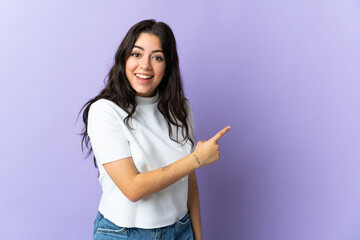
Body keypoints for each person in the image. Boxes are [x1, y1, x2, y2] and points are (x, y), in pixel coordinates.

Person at [78, 19, 230, 240]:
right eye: (136, 54)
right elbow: (133, 188)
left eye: (157, 57)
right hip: (124, 234)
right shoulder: (105, 112)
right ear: (124, 59)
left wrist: (197, 235)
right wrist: (196, 159)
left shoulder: (180, 109)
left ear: (167, 67)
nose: (145, 66)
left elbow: (189, 180)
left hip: (180, 229)